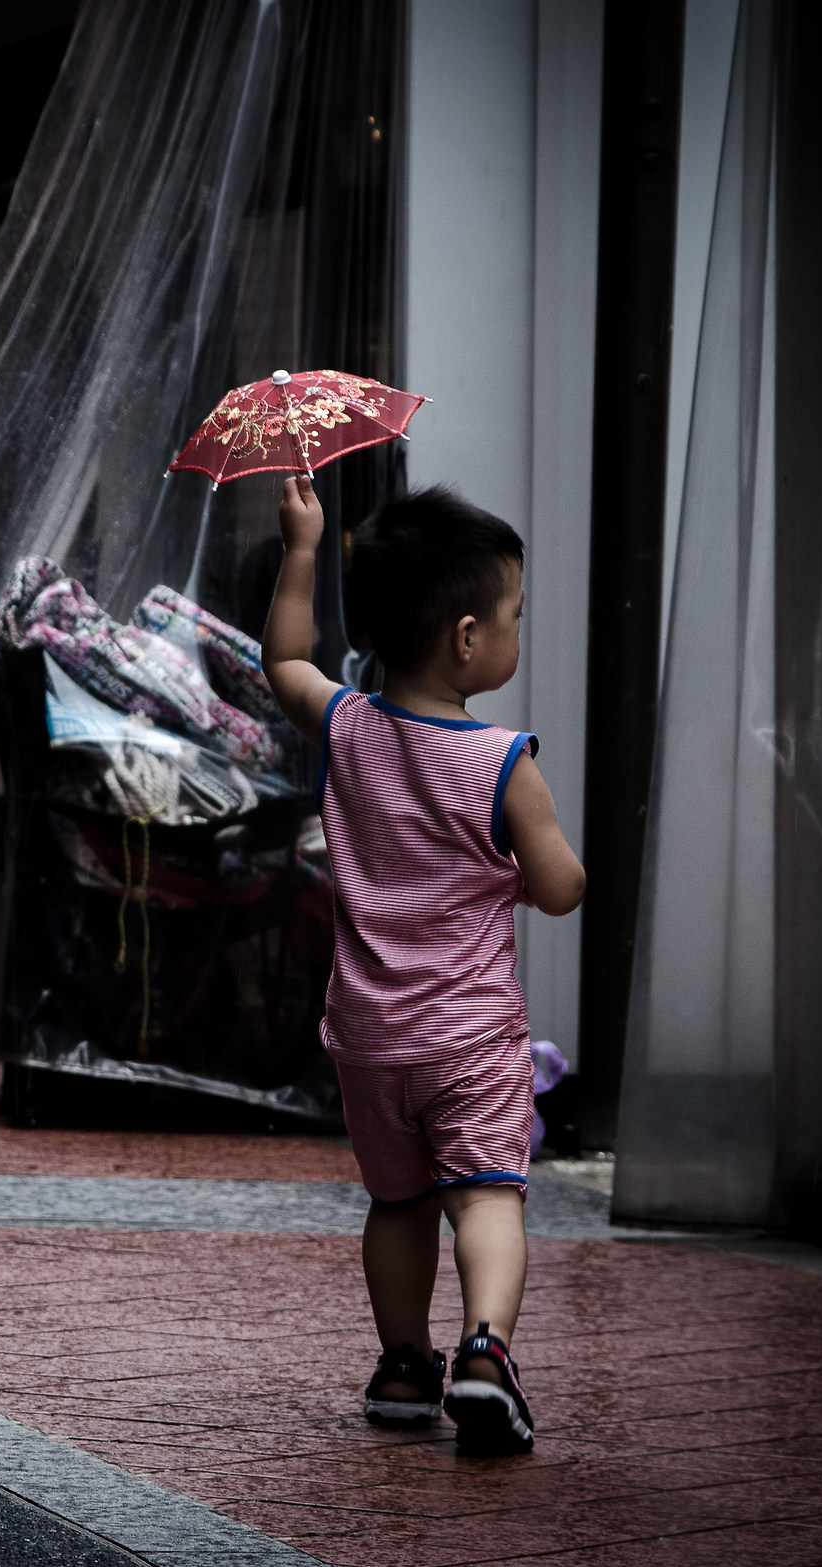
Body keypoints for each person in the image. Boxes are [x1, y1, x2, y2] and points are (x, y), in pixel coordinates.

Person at [262, 476, 585, 1455]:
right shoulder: (502, 761)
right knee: (485, 1193)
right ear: (467, 638)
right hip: (470, 1035)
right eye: (515, 614)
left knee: (396, 1202)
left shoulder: (348, 728)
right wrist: (520, 879)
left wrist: (302, 547)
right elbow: (563, 883)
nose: (519, 630)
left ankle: (405, 1366)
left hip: (370, 1037)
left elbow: (284, 657)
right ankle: (485, 1353)